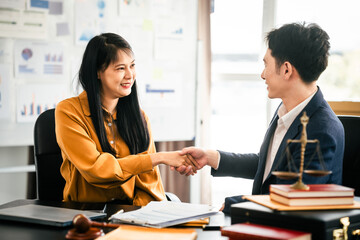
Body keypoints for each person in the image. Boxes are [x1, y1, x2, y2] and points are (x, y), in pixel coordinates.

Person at [176, 22, 345, 214]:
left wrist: (236, 204)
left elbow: (293, 198)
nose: (262, 74)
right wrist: (212, 158)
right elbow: (269, 168)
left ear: (286, 69)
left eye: (266, 64)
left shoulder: (322, 129)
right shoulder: (286, 111)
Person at [55, 33, 197, 206]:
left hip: (131, 216)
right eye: (120, 68)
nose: (130, 75)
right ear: (98, 72)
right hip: (85, 216)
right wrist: (158, 158)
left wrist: (139, 217)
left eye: (132, 66)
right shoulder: (69, 111)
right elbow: (97, 170)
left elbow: (149, 185)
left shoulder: (140, 117)